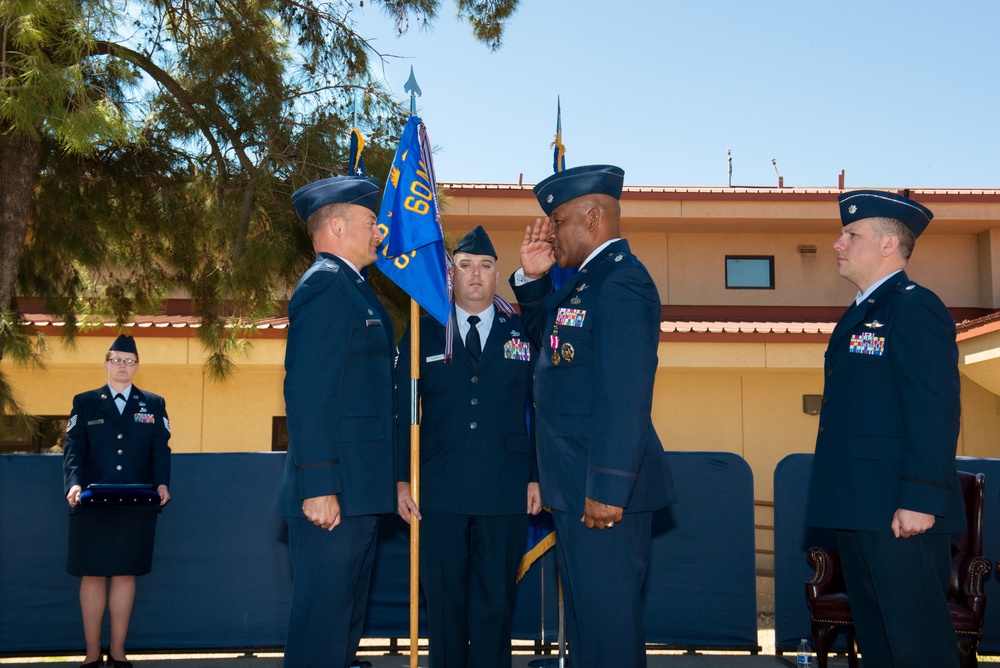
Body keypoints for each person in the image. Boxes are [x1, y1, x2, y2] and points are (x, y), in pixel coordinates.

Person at [510, 165, 675, 668]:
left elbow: (624, 393)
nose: (552, 234)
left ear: (593, 216)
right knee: (588, 634)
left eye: (558, 221)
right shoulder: (587, 282)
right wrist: (534, 282)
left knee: (608, 637)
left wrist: (606, 489)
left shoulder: (623, 280)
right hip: (576, 484)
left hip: (602, 492)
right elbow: (554, 347)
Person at [807, 190, 965, 668]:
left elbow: (934, 410)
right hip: (859, 508)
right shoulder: (859, 315)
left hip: (902, 514)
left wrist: (920, 498)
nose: (838, 243)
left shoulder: (915, 308)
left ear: (887, 245)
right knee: (880, 645)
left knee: (917, 647)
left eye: (851, 235)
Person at [395, 225, 541, 668]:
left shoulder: (522, 329)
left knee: (495, 604)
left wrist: (538, 475)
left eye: (485, 266)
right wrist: (402, 478)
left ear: (497, 275)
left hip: (506, 488)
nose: (475, 275)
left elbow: (542, 408)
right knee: (444, 603)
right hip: (438, 489)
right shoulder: (423, 331)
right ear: (451, 275)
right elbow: (403, 408)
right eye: (465, 266)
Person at [278, 175, 396, 668]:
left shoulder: (355, 288)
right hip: (335, 492)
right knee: (320, 632)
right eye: (372, 222)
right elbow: (309, 393)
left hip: (359, 489)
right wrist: (319, 485)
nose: (381, 231)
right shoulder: (326, 286)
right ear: (339, 227)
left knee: (341, 630)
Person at [63, 334, 172, 668]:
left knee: (125, 574)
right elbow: (73, 447)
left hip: (137, 500)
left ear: (137, 367)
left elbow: (160, 447)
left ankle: (119, 650)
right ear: (106, 364)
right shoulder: (85, 402)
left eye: (129, 361)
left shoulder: (153, 403)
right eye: (117, 360)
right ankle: (93, 652)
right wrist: (74, 483)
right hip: (92, 499)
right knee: (93, 574)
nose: (123, 366)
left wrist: (163, 483)